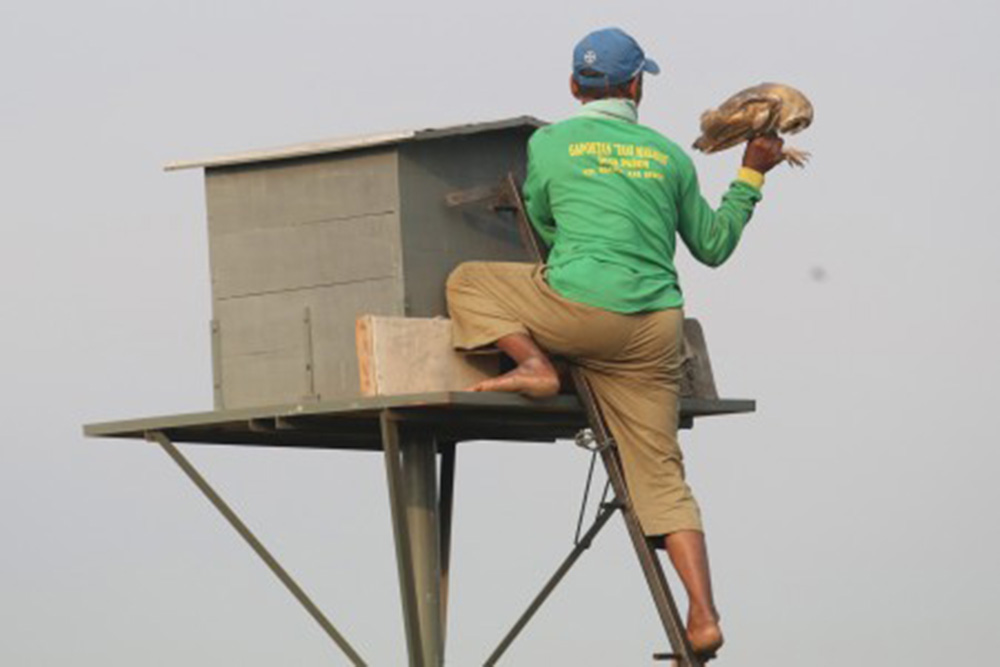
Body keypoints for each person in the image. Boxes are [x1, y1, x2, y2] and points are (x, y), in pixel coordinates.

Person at [446, 27, 785, 659]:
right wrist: (750, 175)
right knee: (661, 476)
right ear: (636, 86)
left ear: (576, 86)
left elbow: (542, 222)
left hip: (576, 312)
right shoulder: (669, 157)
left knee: (469, 281)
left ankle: (534, 365)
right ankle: (704, 615)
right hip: (655, 328)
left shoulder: (549, 143)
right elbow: (712, 247)